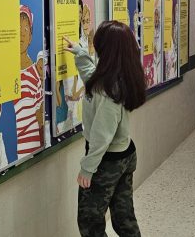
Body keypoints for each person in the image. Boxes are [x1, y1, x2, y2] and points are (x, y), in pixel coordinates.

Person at [63, 20, 146, 237]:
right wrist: (81, 54)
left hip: (107, 161)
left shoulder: (109, 90)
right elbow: (93, 77)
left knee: (90, 221)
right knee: (123, 215)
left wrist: (88, 168)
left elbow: (102, 136)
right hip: (124, 154)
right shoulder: (117, 76)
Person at [14, 5, 45, 158]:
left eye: (25, 30)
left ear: (31, 36)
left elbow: (39, 115)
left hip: (30, 146)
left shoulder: (34, 74)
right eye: (17, 28)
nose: (21, 34)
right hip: (13, 146)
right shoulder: (6, 69)